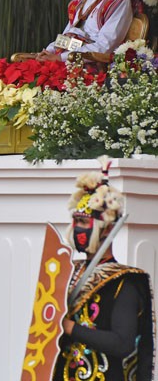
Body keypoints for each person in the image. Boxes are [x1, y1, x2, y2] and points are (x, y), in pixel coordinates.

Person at [52, 158, 154, 381]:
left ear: (107, 229)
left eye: (85, 223)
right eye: (76, 221)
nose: (78, 229)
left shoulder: (125, 282)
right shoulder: (68, 272)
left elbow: (122, 343)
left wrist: (70, 328)